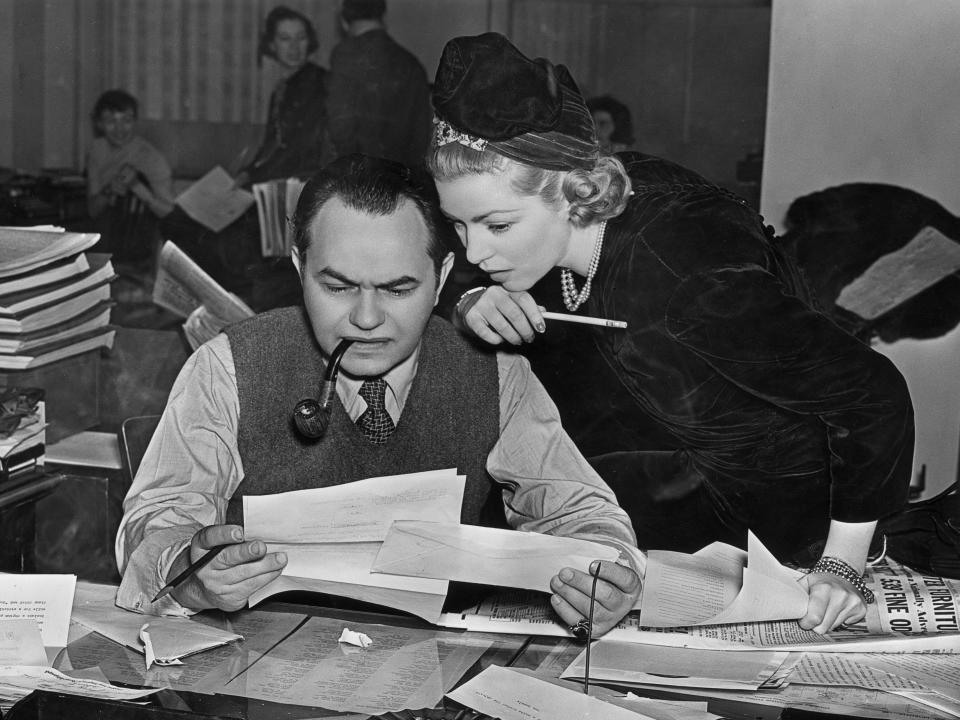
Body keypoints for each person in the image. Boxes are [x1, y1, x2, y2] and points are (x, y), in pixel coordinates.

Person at [426, 33, 915, 634]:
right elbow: (433, 269)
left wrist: (844, 565)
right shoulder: (580, 208)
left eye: (497, 225)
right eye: (459, 224)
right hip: (668, 463)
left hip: (773, 526)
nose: (476, 249)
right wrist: (472, 297)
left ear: (577, 191)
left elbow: (874, 396)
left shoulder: (689, 282)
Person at [116, 154, 643, 638]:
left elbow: (580, 511)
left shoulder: (498, 373)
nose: (366, 319)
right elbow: (158, 519)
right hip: (257, 666)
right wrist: (188, 570)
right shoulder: (226, 366)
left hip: (433, 669)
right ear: (300, 269)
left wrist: (609, 569)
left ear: (440, 281)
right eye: (339, 286)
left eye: (397, 289)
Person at [326, 0, 431, 166]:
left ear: (344, 22)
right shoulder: (411, 63)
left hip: (358, 175)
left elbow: (340, 128)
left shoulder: (344, 53)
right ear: (383, 17)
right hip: (401, 176)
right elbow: (421, 135)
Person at [236, 5, 332, 186]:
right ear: (272, 45)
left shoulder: (319, 83)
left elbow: (296, 150)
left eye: (301, 38)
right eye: (285, 39)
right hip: (285, 179)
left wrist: (253, 177)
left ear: (309, 42)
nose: (294, 47)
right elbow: (271, 145)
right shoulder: (281, 89)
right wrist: (247, 173)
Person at [86, 89, 174, 261]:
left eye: (126, 120)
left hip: (139, 243)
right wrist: (109, 190)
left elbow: (169, 214)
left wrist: (138, 188)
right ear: (99, 124)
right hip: (104, 237)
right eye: (111, 121)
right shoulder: (97, 150)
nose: (119, 129)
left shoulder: (151, 157)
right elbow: (92, 210)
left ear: (135, 122)